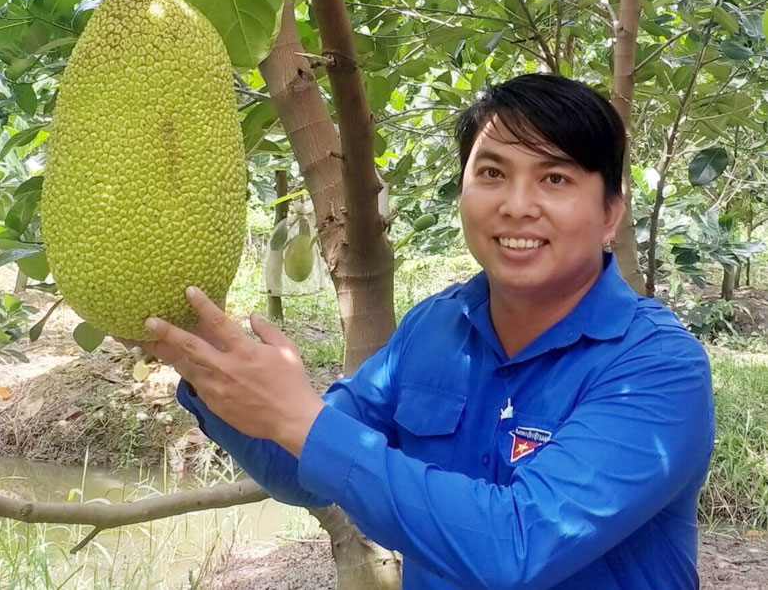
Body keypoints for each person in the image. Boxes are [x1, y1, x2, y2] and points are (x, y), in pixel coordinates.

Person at [137, 73, 715, 589]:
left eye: (555, 179)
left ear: (611, 212)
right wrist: (203, 361)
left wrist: (298, 418)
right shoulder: (432, 329)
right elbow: (304, 470)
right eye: (491, 173)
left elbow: (516, 547)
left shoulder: (657, 367)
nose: (517, 205)